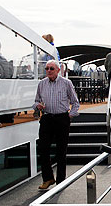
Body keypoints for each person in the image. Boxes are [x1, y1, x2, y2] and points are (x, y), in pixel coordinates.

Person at [32, 60, 80, 190]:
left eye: (51, 68)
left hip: (61, 119)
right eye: (47, 68)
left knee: (61, 151)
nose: (48, 71)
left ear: (58, 70)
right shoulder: (42, 84)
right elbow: (36, 101)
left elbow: (75, 102)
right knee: (43, 149)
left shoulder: (66, 83)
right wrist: (38, 105)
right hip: (47, 118)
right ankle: (48, 178)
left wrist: (70, 115)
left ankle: (61, 181)